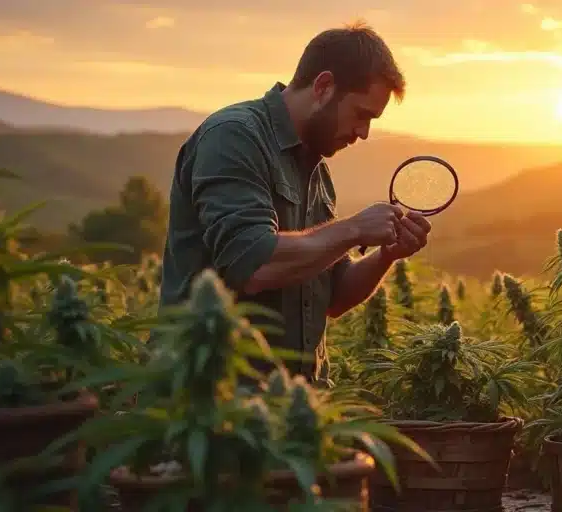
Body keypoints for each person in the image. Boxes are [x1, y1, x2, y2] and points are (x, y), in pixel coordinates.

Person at [158, 22, 429, 379]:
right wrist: (354, 229)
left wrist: (386, 255)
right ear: (323, 86)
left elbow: (332, 297)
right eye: (362, 114)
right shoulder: (234, 137)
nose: (364, 133)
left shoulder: (316, 169)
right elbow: (252, 264)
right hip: (214, 402)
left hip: (292, 409)